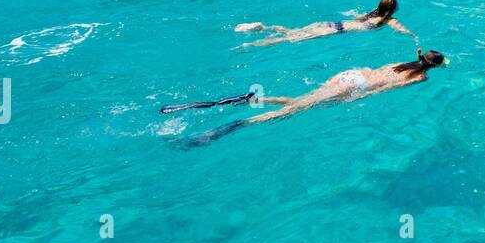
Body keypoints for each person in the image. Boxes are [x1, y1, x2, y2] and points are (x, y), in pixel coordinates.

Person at [172, 50, 448, 146]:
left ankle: (250, 99)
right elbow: (383, 89)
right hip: (357, 86)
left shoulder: (400, 63)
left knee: (299, 100)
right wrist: (357, 97)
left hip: (351, 75)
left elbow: (389, 70)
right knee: (294, 110)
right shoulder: (420, 77)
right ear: (433, 67)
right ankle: (237, 125)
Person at [234, 0, 417, 48]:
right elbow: (400, 28)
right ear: (392, 9)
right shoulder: (387, 20)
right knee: (288, 39)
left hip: (330, 24)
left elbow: (352, 16)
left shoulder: (370, 14)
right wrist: (413, 36)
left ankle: (264, 27)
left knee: (292, 32)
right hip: (333, 31)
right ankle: (251, 45)